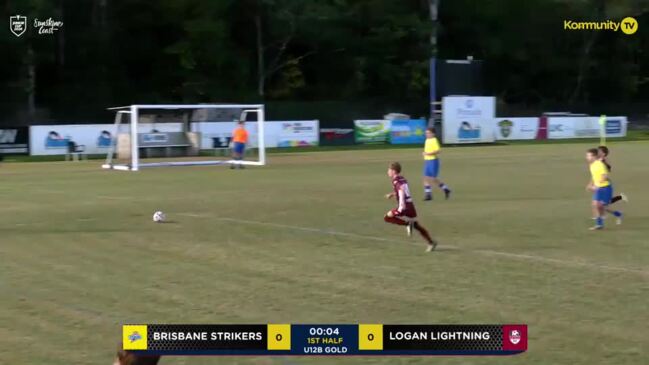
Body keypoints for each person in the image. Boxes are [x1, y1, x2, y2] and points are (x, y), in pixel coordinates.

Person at [384, 162, 438, 252]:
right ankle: (431, 242)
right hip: (410, 205)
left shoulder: (396, 181)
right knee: (416, 225)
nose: (388, 172)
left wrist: (401, 206)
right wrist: (393, 194)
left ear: (394, 171)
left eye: (389, 170)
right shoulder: (402, 178)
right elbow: (403, 190)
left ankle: (407, 224)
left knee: (387, 217)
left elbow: (401, 191)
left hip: (404, 205)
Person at [585, 148, 622, 230]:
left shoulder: (599, 164)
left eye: (588, 155)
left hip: (606, 188)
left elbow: (604, 176)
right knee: (595, 205)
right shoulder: (591, 165)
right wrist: (590, 184)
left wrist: (597, 185)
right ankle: (599, 224)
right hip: (599, 188)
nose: (586, 157)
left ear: (594, 156)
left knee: (602, 207)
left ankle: (618, 214)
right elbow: (594, 176)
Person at [422, 128, 451, 200]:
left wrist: (427, 153)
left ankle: (446, 189)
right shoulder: (426, 140)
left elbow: (438, 151)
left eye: (428, 133)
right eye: (426, 133)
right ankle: (428, 195)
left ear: (433, 134)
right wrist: (425, 154)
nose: (427, 134)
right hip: (427, 161)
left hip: (433, 161)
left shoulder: (434, 140)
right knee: (425, 178)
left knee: (433, 179)